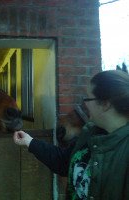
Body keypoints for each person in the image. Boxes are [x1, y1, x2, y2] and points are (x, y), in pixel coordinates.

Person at [13, 70, 129, 200]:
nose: (84, 103)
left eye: (87, 98)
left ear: (106, 104)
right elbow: (64, 162)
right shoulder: (90, 133)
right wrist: (30, 141)